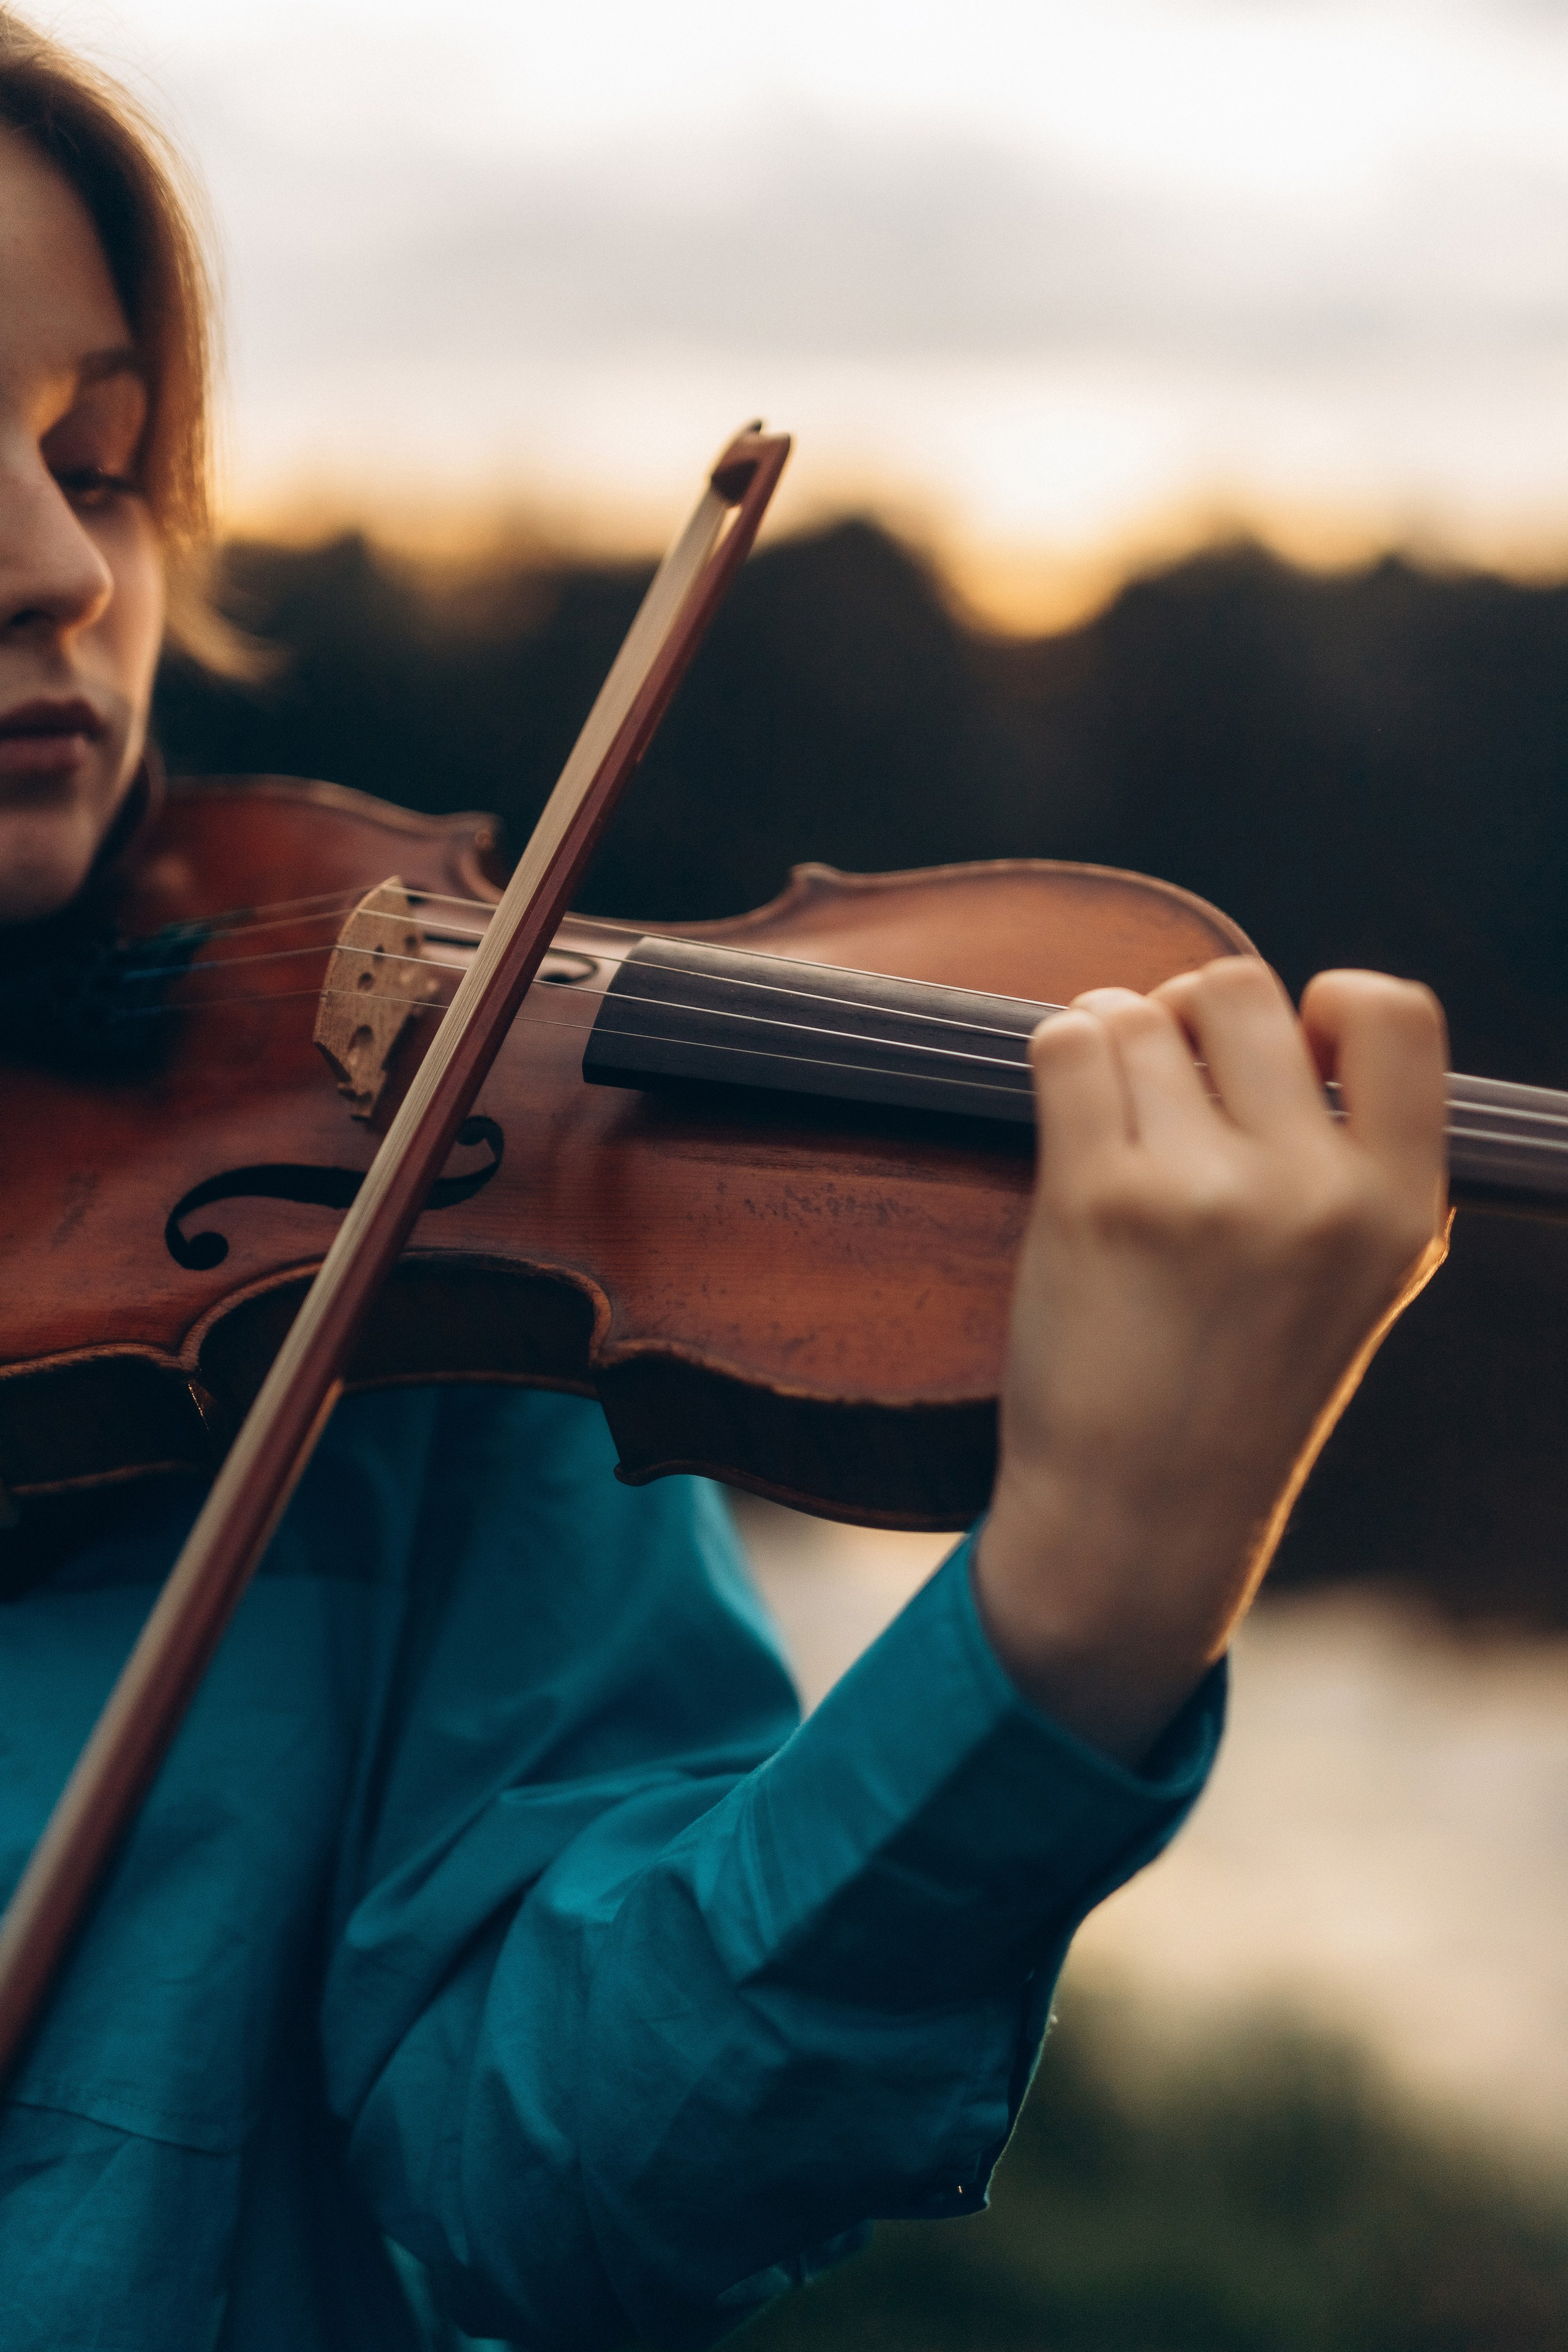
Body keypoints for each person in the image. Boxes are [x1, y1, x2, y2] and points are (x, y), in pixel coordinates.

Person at [0, 12, 1450, 2348]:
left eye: (98, 458)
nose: (55, 564)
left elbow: (557, 2184)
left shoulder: (368, 1314)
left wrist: (1085, 1603)